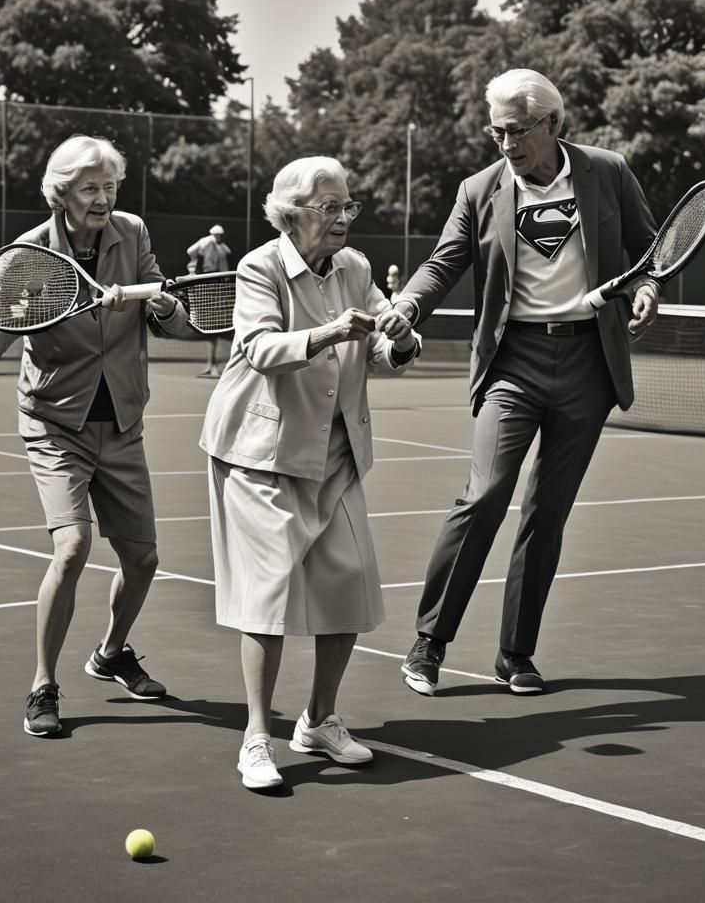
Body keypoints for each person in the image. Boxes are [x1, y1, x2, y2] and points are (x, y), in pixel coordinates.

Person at [391, 69, 659, 698]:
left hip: (590, 366)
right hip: (514, 364)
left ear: (553, 125)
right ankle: (428, 643)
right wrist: (407, 305)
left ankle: (515, 653)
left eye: (516, 130)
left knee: (548, 512)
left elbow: (650, 252)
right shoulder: (479, 189)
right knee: (484, 497)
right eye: (496, 131)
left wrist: (649, 287)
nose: (505, 143)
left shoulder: (608, 171)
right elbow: (443, 262)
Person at [199, 156, 421, 790]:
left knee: (346, 589)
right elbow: (260, 348)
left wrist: (400, 337)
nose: (343, 218)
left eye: (348, 206)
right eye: (330, 207)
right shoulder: (258, 267)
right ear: (291, 213)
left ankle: (320, 719)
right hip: (259, 456)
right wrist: (327, 334)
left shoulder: (356, 268)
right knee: (266, 600)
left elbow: (383, 341)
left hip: (336, 454)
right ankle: (254, 740)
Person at [0, 135, 189, 737]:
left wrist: (160, 306)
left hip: (123, 422)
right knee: (74, 547)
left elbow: (172, 317)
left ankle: (111, 653)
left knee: (143, 559)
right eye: (90, 188)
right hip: (56, 423)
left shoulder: (131, 234)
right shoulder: (30, 255)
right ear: (61, 193)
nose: (103, 198)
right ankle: (43, 685)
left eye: (110, 187)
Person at [187, 223, 232, 377]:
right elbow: (191, 252)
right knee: (210, 324)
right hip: (208, 285)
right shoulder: (206, 243)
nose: (219, 237)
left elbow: (225, 261)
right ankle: (211, 364)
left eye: (221, 235)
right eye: (217, 235)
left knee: (218, 324)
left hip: (219, 286)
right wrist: (193, 269)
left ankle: (216, 364)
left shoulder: (223, 248)